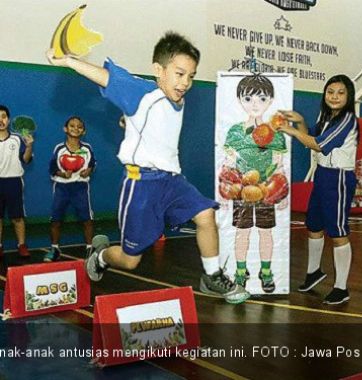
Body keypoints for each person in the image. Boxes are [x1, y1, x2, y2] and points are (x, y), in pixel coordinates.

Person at [46, 31, 250, 304]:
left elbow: (151, 122)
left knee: (205, 214)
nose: (186, 82)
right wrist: (69, 61)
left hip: (172, 181)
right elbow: (107, 77)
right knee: (131, 260)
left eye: (191, 75)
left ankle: (212, 277)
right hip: (141, 185)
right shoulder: (143, 91)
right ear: (159, 70)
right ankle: (102, 255)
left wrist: (127, 121)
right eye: (179, 74)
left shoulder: (176, 98)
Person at [278, 74, 358, 305]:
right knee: (313, 225)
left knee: (338, 230)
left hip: (339, 178)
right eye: (330, 92)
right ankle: (314, 272)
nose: (334, 96)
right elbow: (311, 136)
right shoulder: (327, 116)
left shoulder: (347, 119)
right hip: (323, 175)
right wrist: (300, 121)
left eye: (340, 93)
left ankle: (341, 287)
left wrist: (291, 130)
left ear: (348, 96)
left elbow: (319, 145)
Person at [222, 74, 287, 293]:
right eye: (248, 99)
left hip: (266, 190)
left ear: (270, 100)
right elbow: (228, 164)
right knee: (242, 232)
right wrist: (225, 191)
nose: (255, 104)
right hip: (241, 191)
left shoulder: (276, 134)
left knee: (265, 232)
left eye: (261, 98)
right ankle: (241, 270)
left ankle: (266, 271)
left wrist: (281, 193)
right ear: (240, 100)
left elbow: (279, 165)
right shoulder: (235, 132)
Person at [44, 116, 96, 262]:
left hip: (80, 188)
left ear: (83, 131)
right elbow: (52, 169)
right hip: (61, 188)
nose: (76, 128)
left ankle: (90, 249)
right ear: (65, 129)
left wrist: (88, 171)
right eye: (72, 126)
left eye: (79, 126)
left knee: (87, 219)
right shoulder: (59, 149)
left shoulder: (87, 149)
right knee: (55, 220)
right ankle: (54, 249)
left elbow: (92, 163)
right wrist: (62, 174)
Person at [0, 104, 33, 259]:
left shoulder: (17, 139)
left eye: (3, 116)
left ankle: (21, 245)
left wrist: (29, 146)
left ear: (8, 119)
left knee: (17, 217)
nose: (1, 120)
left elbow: (26, 160)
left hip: (13, 182)